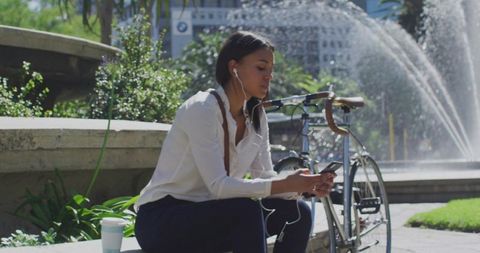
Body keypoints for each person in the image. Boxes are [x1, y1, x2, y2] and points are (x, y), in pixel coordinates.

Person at [134, 31, 335, 253]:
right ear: (234, 67)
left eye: (270, 70)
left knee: (297, 212)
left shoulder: (257, 116)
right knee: (245, 210)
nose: (269, 76)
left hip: (213, 215)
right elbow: (219, 186)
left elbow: (266, 177)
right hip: (164, 219)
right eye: (261, 68)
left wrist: (305, 186)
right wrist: (287, 183)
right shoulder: (202, 109)